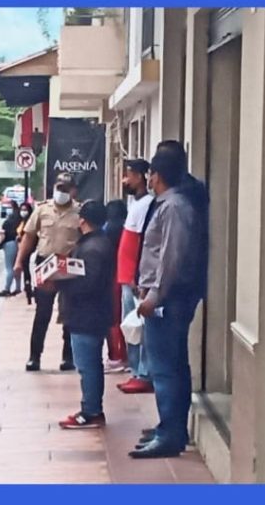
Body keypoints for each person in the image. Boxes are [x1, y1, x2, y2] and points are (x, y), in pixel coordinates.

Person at [130, 148, 204, 459]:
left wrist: (153, 295)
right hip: (164, 297)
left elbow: (171, 256)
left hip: (169, 300)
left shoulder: (173, 207)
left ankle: (171, 434)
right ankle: (170, 427)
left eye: (150, 173)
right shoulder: (167, 204)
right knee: (171, 366)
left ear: (156, 176)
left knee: (164, 369)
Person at [44, 200, 114, 429]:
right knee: (89, 363)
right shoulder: (94, 243)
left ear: (82, 220)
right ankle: (91, 408)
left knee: (88, 365)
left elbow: (89, 283)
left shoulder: (94, 248)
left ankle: (91, 410)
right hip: (87, 313)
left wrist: (59, 285)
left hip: (87, 314)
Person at [13, 172, 82, 372]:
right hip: (46, 263)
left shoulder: (79, 212)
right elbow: (28, 237)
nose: (61, 192)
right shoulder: (42, 210)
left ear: (73, 191)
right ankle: (34, 357)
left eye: (65, 189)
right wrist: (19, 262)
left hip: (69, 264)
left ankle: (68, 357)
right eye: (58, 188)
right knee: (42, 313)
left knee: (69, 312)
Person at [116, 159, 155, 394]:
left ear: (140, 177)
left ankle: (143, 372)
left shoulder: (148, 204)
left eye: (128, 175)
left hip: (134, 278)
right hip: (126, 276)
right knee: (131, 326)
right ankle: (135, 370)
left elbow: (144, 244)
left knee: (141, 326)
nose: (124, 180)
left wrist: (136, 275)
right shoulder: (135, 203)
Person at [103, 199, 129, 374]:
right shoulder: (126, 227)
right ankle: (125, 355)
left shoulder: (107, 229)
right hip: (124, 276)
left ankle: (117, 356)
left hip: (111, 276)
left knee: (113, 317)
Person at [0, 201, 23, 297]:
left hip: (9, 244)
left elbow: (2, 234)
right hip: (20, 244)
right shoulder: (21, 220)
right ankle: (18, 287)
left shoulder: (7, 222)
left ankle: (7, 288)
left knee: (9, 267)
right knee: (17, 265)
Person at [17, 202, 36, 305]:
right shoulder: (22, 221)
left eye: (25, 210)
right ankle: (27, 286)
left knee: (29, 267)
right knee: (25, 268)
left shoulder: (31, 221)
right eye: (22, 209)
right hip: (23, 248)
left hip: (30, 248)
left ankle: (30, 287)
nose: (23, 212)